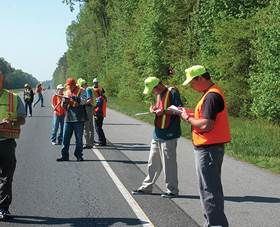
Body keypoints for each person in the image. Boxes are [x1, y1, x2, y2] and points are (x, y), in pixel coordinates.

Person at [180, 65, 231, 227]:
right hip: (210, 148)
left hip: (208, 149)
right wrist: (188, 112)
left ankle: (215, 224)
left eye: (192, 83)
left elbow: (206, 124)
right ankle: (213, 223)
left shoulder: (211, 96)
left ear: (200, 78)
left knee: (209, 192)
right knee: (210, 190)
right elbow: (204, 117)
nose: (191, 86)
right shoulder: (210, 94)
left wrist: (187, 118)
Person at [132, 77, 182, 198]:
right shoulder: (159, 93)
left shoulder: (172, 92)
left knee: (168, 163)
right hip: (158, 132)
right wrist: (153, 108)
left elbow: (179, 110)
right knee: (152, 162)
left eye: (152, 90)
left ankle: (172, 190)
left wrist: (163, 112)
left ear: (158, 86)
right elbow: (159, 106)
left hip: (169, 133)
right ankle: (146, 187)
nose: (152, 92)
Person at [0, 70, 26, 220]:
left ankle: (3, 208)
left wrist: (14, 121)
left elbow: (22, 118)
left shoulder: (13, 98)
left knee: (6, 177)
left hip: (6, 143)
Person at [56, 77, 88, 162]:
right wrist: (65, 102)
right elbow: (63, 106)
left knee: (79, 139)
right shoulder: (66, 92)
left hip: (79, 118)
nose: (68, 87)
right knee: (65, 138)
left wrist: (74, 99)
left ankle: (78, 155)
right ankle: (64, 156)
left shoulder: (81, 91)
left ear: (74, 85)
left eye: (70, 85)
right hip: (68, 118)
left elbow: (85, 101)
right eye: (68, 85)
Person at [77, 78, 95, 149]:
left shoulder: (87, 90)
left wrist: (82, 103)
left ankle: (88, 143)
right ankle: (91, 142)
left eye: (81, 85)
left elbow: (90, 100)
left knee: (86, 126)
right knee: (90, 126)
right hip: (90, 108)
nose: (80, 87)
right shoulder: (89, 89)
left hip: (87, 108)